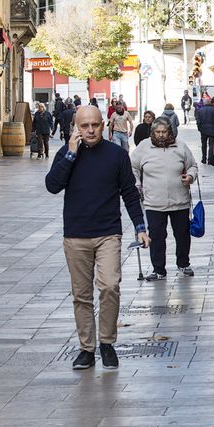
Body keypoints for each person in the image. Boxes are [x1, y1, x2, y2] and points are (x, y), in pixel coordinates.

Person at [45, 105, 150, 371]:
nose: (90, 130)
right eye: (84, 126)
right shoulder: (68, 153)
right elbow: (52, 186)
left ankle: (107, 343)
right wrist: (70, 153)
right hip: (76, 236)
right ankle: (86, 349)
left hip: (108, 234)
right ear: (75, 128)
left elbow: (128, 191)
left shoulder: (116, 154)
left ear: (104, 125)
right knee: (81, 295)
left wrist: (140, 226)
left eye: (95, 125)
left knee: (109, 286)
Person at [131, 117, 198, 281]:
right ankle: (158, 269)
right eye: (157, 132)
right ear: (152, 132)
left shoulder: (180, 146)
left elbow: (192, 166)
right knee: (157, 236)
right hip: (154, 202)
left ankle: (183, 263)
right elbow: (132, 167)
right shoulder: (144, 147)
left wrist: (190, 176)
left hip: (179, 200)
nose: (161, 135)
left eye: (164, 132)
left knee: (182, 234)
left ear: (170, 132)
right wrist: (137, 183)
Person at [195, 98, 214, 164]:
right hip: (212, 129)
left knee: (203, 145)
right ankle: (210, 159)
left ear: (204, 103)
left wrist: (199, 128)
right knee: (211, 145)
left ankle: (203, 159)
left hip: (203, 130)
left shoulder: (200, 110)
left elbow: (198, 121)